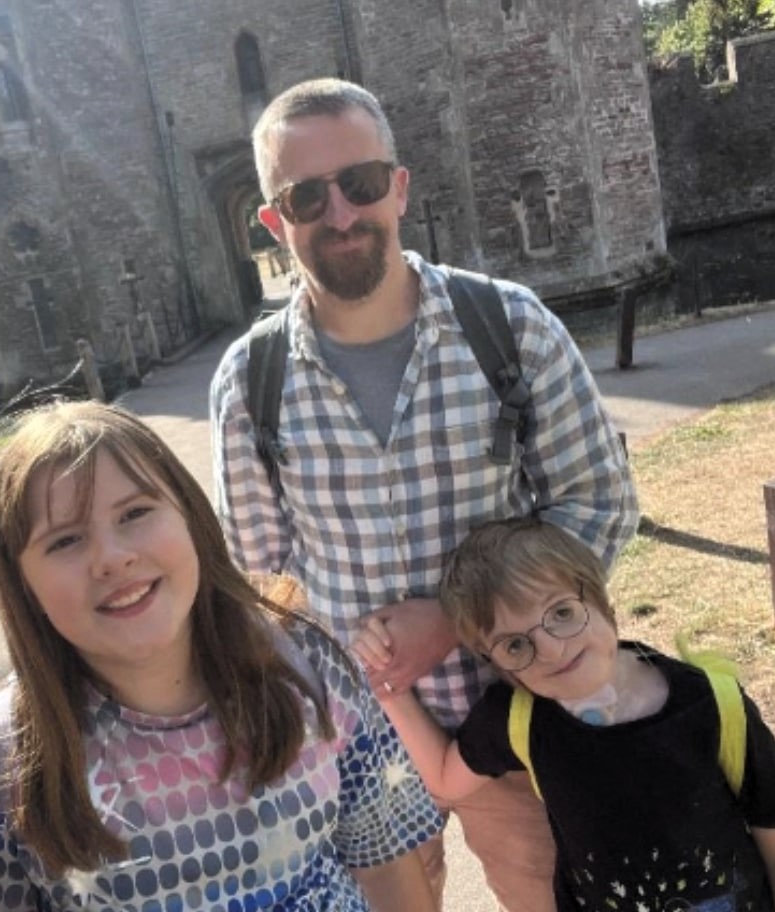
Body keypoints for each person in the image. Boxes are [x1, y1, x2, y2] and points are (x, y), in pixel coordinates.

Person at [210, 78, 639, 911]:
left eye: (361, 183)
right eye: (305, 196)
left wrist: (451, 620)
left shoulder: (508, 327)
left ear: (399, 187)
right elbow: (257, 582)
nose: (340, 214)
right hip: (357, 741)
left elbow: (597, 504)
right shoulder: (248, 380)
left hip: (523, 711)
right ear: (272, 220)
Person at [0, 400, 442, 911]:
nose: (113, 557)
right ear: (23, 586)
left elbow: (387, 862)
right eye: (66, 540)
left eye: (134, 513)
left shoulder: (305, 663)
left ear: (191, 519)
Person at [351, 516, 775, 911]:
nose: (552, 650)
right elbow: (442, 776)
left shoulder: (715, 707)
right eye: (516, 644)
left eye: (561, 612)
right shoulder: (519, 721)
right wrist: (387, 685)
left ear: (602, 599)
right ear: (496, 664)